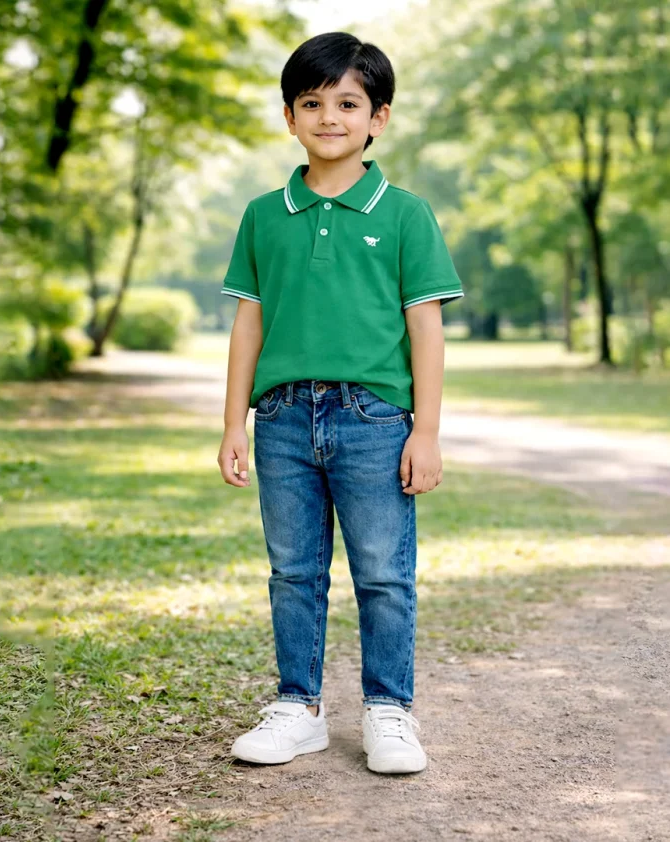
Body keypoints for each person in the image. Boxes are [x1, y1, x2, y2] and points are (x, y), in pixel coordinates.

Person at [217, 31, 464, 775]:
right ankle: (299, 709)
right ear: (289, 116)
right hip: (282, 419)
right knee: (293, 572)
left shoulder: (405, 214)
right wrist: (233, 422)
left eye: (348, 103)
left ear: (378, 117)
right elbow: (249, 322)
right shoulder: (264, 214)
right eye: (311, 102)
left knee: (383, 572)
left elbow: (426, 327)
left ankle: (389, 710)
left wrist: (426, 431)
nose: (329, 117)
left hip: (375, 421)